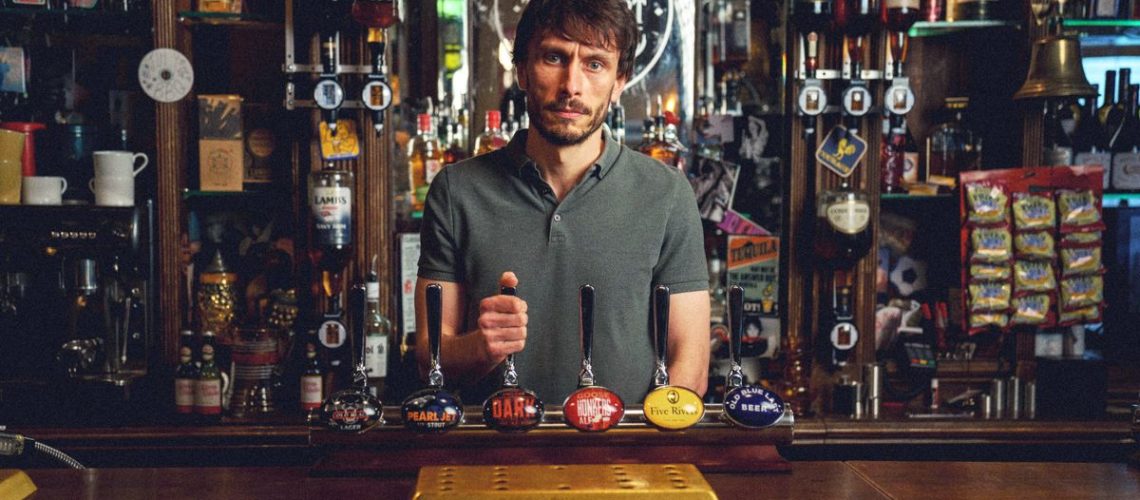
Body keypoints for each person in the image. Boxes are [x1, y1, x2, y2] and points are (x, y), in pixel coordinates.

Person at [415, 0, 710, 405]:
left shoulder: (667, 193)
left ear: (619, 80)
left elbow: (690, 367)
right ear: (521, 70)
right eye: (554, 57)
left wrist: (641, 455)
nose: (572, 85)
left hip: (627, 457)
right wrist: (479, 348)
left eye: (595, 64)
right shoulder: (456, 190)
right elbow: (428, 357)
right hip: (490, 458)